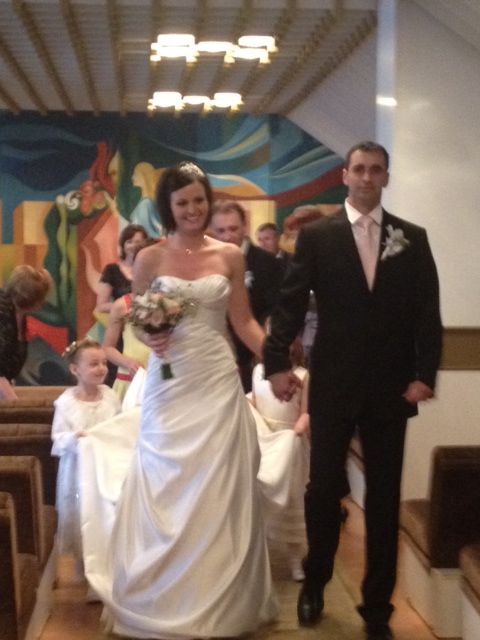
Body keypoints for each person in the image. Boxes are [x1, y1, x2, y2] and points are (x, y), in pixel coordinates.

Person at [80, 161, 277, 638]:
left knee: (219, 482)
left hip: (216, 379)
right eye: (183, 202)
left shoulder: (229, 256)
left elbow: (243, 321)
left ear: (209, 200)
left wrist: (279, 359)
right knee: (166, 477)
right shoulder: (150, 258)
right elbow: (138, 317)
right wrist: (151, 335)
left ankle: (219, 597)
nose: (193, 209)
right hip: (170, 381)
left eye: (199, 200)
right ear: (168, 207)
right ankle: (163, 594)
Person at [263, 141, 442, 640]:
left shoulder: (412, 238)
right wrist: (276, 363)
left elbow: (427, 310)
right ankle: (316, 581)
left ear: (386, 177)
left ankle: (377, 607)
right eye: (359, 169)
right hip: (334, 382)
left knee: (384, 497)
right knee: (323, 489)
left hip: (391, 386)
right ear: (345, 175)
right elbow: (290, 302)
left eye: (375, 170)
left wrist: (424, 374)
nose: (366, 177)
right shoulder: (318, 236)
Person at [51, 338, 120, 581]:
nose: (101, 368)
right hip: (78, 471)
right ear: (75, 369)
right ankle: (85, 567)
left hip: (107, 467)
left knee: (107, 513)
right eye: (93, 364)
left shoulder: (110, 396)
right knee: (82, 514)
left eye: (104, 363)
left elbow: (119, 426)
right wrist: (75, 438)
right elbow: (58, 438)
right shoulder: (66, 403)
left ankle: (109, 566)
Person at [250, 335, 310, 582]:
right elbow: (255, 401)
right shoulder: (258, 372)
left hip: (290, 442)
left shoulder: (303, 376)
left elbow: (306, 412)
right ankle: (259, 554)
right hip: (265, 440)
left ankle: (295, 557)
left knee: (293, 500)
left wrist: (298, 430)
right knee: (260, 494)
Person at [210, 200, 284, 392]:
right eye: (221, 230)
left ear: (245, 226)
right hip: (212, 352)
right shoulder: (205, 263)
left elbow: (275, 307)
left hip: (252, 353)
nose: (227, 236)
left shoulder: (267, 262)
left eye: (233, 229)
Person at [0, 265, 52, 400]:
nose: (44, 301)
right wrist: (14, 404)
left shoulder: (19, 316)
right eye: (42, 297)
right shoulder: (3, 314)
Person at [103, 291, 151, 401]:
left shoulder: (170, 303)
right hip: (130, 378)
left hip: (161, 375)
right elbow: (107, 348)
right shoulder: (122, 305)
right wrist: (128, 363)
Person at [95, 223, 148, 313]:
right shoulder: (111, 270)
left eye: (138, 242)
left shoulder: (151, 269)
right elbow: (101, 306)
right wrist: (128, 305)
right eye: (129, 242)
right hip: (122, 320)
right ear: (123, 245)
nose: (133, 246)